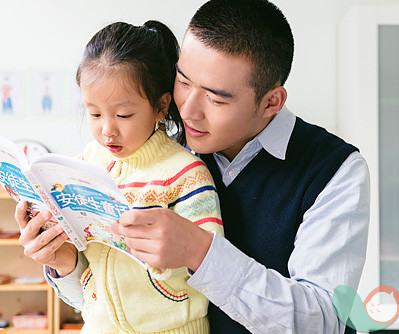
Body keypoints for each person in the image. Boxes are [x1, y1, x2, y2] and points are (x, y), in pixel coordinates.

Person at [16, 0, 369, 333]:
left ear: (271, 102)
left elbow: (325, 321)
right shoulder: (155, 150)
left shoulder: (335, 171)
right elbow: (122, 305)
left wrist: (200, 251)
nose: (187, 110)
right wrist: (65, 264)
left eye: (215, 98)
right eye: (183, 81)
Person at [16, 20, 223, 333]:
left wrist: (160, 254)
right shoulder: (83, 165)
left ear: (161, 106)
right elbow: (86, 273)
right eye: (94, 113)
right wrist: (52, 238)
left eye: (123, 115)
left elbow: (214, 270)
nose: (106, 130)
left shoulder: (186, 175)